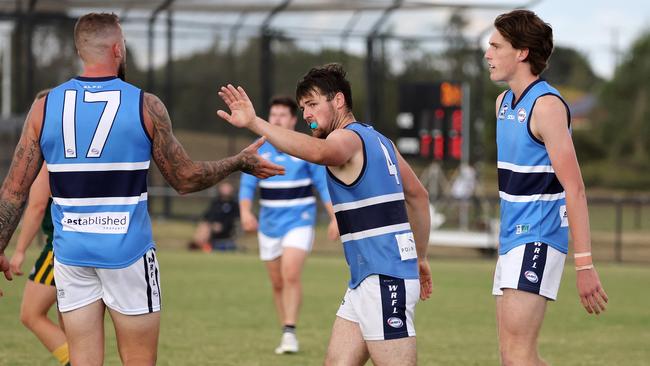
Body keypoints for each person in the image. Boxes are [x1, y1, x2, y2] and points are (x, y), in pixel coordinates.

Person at [0, 12, 284, 365]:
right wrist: (238, 162)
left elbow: (13, 191)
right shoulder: (144, 105)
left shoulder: (44, 107)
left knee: (82, 360)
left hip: (71, 255)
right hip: (128, 256)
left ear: (80, 51)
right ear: (118, 49)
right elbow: (185, 178)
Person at [217, 63, 433, 366]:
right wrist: (420, 257)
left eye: (313, 104)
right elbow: (419, 197)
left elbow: (319, 153)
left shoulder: (346, 138)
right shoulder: (382, 141)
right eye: (303, 106)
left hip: (384, 278)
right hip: (367, 277)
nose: (306, 113)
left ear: (339, 101)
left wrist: (255, 123)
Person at [484, 9, 608, 365]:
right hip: (511, 239)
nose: (488, 54)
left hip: (537, 238)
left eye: (495, 46)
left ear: (522, 51)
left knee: (518, 356)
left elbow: (576, 188)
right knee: (513, 356)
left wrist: (584, 265)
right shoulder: (503, 103)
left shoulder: (547, 106)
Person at [238, 96, 339, 354]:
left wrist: (334, 217)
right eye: (274, 115)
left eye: (283, 115)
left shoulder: (305, 148)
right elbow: (247, 185)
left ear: (293, 120)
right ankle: (285, 328)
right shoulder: (258, 149)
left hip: (299, 222)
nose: (277, 119)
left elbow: (322, 186)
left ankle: (290, 332)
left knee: (290, 274)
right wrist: (246, 212)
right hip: (269, 226)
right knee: (277, 283)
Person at [9, 162, 70, 366]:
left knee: (31, 313)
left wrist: (19, 251)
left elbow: (37, 206)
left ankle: (76, 361)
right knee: (71, 321)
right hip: (94, 242)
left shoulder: (48, 158)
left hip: (61, 248)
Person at [189, 181, 240, 252]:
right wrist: (211, 223)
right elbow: (208, 215)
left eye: (227, 188)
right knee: (204, 226)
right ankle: (199, 244)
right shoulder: (216, 202)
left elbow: (233, 219)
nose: (226, 189)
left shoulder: (234, 205)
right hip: (212, 226)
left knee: (206, 227)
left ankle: (197, 246)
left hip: (225, 229)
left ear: (231, 189)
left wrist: (222, 226)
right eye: (224, 187)